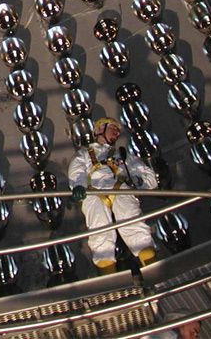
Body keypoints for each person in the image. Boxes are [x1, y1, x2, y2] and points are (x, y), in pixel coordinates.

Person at [68, 117, 158, 275]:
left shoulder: (124, 155)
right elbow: (77, 173)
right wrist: (78, 187)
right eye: (112, 127)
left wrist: (138, 183)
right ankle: (109, 279)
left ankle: (154, 272)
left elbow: (148, 177)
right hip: (94, 192)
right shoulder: (83, 155)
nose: (116, 132)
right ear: (98, 130)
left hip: (120, 189)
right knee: (100, 234)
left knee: (134, 226)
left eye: (118, 130)